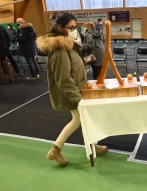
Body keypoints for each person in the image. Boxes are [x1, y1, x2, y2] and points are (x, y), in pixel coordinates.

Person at [36, 12, 107, 166]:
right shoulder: (60, 49)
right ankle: (56, 149)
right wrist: (77, 98)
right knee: (78, 120)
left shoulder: (69, 45)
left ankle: (90, 145)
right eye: (71, 27)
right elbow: (63, 78)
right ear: (61, 28)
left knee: (82, 119)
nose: (75, 29)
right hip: (72, 92)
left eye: (76, 26)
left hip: (78, 89)